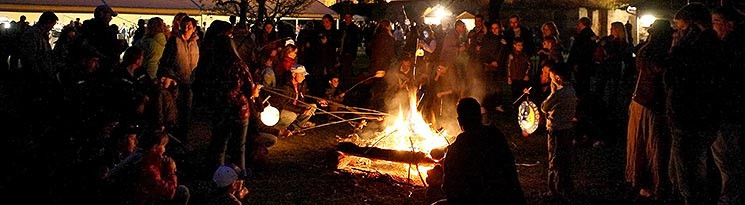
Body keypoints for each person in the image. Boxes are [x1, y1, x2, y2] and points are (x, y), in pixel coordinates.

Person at [438, 97, 525, 204]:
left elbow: (449, 188)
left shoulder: (456, 149)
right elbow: (510, 170)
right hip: (507, 198)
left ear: (459, 121)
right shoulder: (496, 135)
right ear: (480, 116)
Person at [625, 19, 673, 201]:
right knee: (654, 146)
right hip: (650, 104)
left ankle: (644, 182)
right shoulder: (655, 53)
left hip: (642, 102)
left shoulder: (646, 50)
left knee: (642, 145)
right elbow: (659, 72)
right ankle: (653, 184)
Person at [533, 62, 577, 201]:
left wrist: (552, 92)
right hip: (567, 129)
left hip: (556, 130)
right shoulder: (571, 90)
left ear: (558, 78)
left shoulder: (558, 93)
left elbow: (544, 107)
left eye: (551, 77)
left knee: (555, 160)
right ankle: (566, 187)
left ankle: (554, 191)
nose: (550, 79)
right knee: (565, 160)